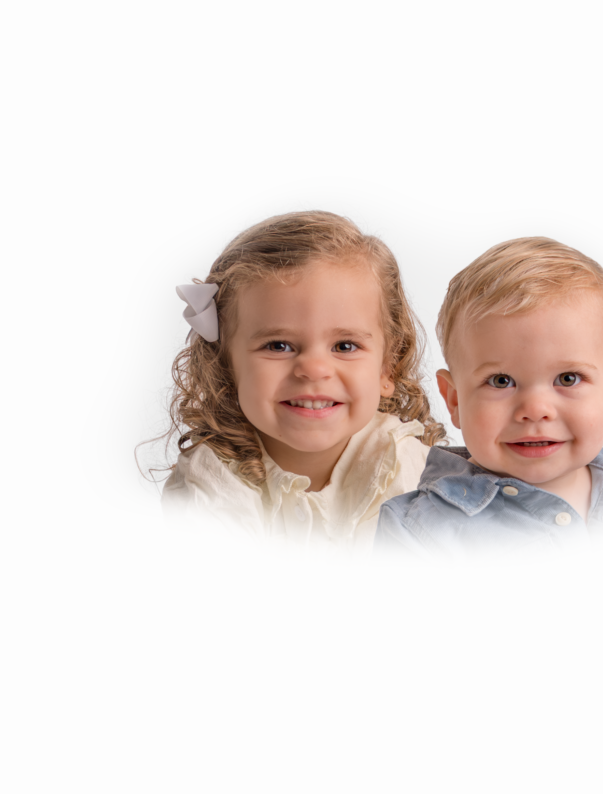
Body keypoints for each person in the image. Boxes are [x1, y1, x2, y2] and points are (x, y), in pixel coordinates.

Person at [161, 211, 444, 550]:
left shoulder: (410, 465)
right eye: (278, 345)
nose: (313, 369)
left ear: (388, 370)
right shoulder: (210, 477)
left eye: (345, 346)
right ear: (225, 365)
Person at [376, 237, 603, 554]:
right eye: (501, 381)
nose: (536, 410)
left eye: (568, 379)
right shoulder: (417, 532)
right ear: (454, 400)